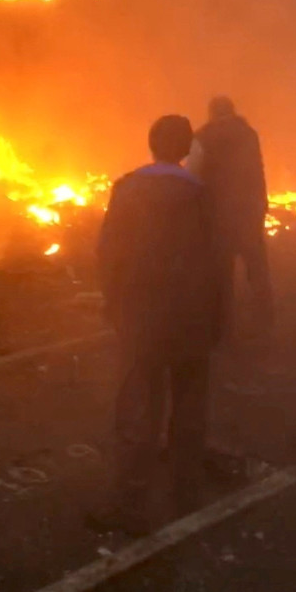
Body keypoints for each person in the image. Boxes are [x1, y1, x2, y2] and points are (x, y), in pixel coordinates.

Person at [91, 115, 223, 536]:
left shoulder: (127, 189)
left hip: (142, 318)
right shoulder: (202, 195)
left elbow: (108, 254)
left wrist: (113, 306)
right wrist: (219, 319)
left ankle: (128, 506)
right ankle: (187, 496)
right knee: (188, 407)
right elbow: (218, 262)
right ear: (186, 150)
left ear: (150, 144)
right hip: (192, 319)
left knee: (137, 410)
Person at [189, 96, 272, 332]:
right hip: (249, 210)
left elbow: (193, 172)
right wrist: (260, 203)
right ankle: (264, 319)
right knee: (256, 267)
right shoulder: (249, 134)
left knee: (221, 270)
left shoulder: (203, 136)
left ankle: (224, 324)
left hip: (218, 214)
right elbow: (258, 169)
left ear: (211, 112)